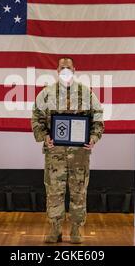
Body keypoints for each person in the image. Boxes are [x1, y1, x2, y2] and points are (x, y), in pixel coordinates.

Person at [31, 57, 104, 243]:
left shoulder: (87, 93)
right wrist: (45, 136)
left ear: (74, 69)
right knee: (54, 191)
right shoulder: (46, 94)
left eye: (68, 67)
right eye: (62, 67)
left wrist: (93, 138)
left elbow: (98, 118)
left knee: (79, 192)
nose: (65, 70)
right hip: (55, 153)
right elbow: (37, 118)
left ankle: (75, 229)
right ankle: (55, 229)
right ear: (57, 70)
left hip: (79, 155)